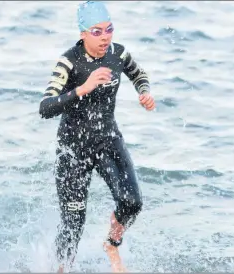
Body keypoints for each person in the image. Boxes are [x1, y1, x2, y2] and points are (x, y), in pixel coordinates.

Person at [39, 1, 155, 272]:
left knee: (132, 203)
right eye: (97, 31)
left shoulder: (118, 54)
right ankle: (62, 269)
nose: (105, 37)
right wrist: (83, 87)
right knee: (73, 223)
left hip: (108, 139)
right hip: (73, 149)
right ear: (82, 33)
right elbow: (45, 107)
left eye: (109, 29)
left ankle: (111, 244)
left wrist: (145, 93)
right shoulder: (68, 62)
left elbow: (139, 76)